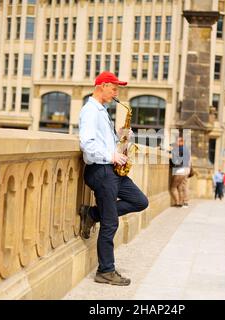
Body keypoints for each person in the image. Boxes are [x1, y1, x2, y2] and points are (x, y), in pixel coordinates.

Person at [78, 71, 149, 286]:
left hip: (112, 170)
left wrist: (120, 138)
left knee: (140, 201)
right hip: (100, 170)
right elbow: (87, 144)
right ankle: (105, 271)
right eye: (114, 88)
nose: (116, 92)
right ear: (102, 85)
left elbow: (101, 141)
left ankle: (91, 213)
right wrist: (111, 155)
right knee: (111, 223)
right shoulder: (90, 110)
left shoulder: (102, 111)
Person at [170, 136, 191, 208]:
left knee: (174, 187)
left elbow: (175, 158)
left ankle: (179, 202)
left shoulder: (180, 148)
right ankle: (183, 202)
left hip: (180, 169)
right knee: (182, 186)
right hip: (186, 169)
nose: (176, 143)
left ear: (181, 142)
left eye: (177, 141)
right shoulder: (186, 149)